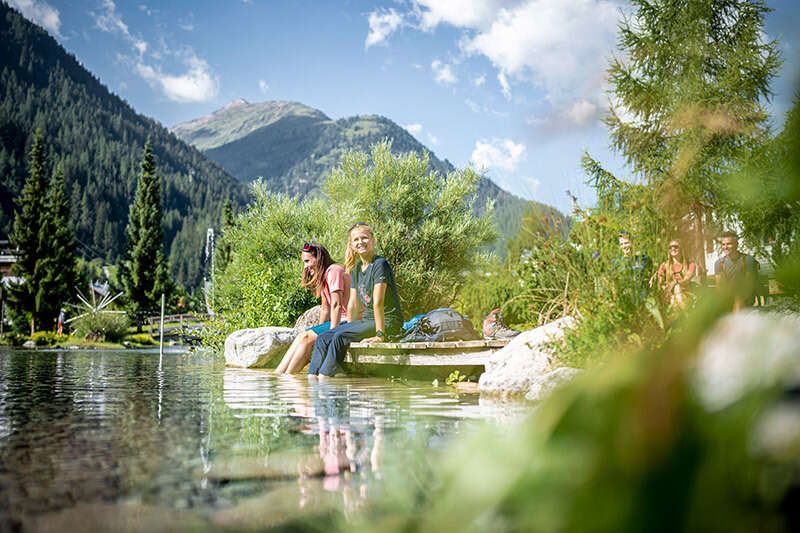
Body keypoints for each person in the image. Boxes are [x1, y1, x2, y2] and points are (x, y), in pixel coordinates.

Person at [308, 222, 404, 378]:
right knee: (324, 337)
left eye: (364, 238)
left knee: (340, 337)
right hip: (367, 321)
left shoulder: (380, 264)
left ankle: (328, 374)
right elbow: (352, 304)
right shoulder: (357, 268)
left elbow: (377, 303)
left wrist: (380, 335)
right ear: (351, 245)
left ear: (373, 240)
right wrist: (349, 327)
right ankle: (313, 377)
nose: (360, 242)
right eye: (356, 240)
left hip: (388, 321)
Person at [275, 242, 351, 374]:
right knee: (302, 336)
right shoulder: (323, 276)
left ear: (318, 258)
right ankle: (279, 374)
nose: (305, 267)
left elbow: (336, 305)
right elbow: (326, 309)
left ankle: (288, 377)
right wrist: (318, 333)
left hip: (350, 319)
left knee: (306, 338)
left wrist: (329, 335)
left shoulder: (334, 270)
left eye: (307, 261)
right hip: (341, 319)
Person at [714, 231, 759, 311]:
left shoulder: (748, 260)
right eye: (723, 244)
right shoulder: (719, 263)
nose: (725, 247)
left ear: (736, 244)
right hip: (727, 301)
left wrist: (738, 301)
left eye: (729, 244)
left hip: (745, 300)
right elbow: (720, 287)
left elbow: (749, 285)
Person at [650, 238, 696, 309]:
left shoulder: (690, 264)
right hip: (669, 294)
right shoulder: (664, 265)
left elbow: (686, 280)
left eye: (676, 247)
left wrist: (675, 283)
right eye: (670, 247)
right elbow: (660, 283)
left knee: (677, 288)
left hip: (685, 293)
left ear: (681, 248)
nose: (673, 248)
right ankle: (686, 313)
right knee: (673, 297)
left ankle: (685, 312)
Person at [617, 230, 652, 301]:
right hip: (625, 297)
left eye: (626, 243)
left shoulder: (644, 259)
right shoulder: (617, 263)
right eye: (622, 244)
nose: (624, 246)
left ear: (632, 243)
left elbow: (652, 274)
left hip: (643, 296)